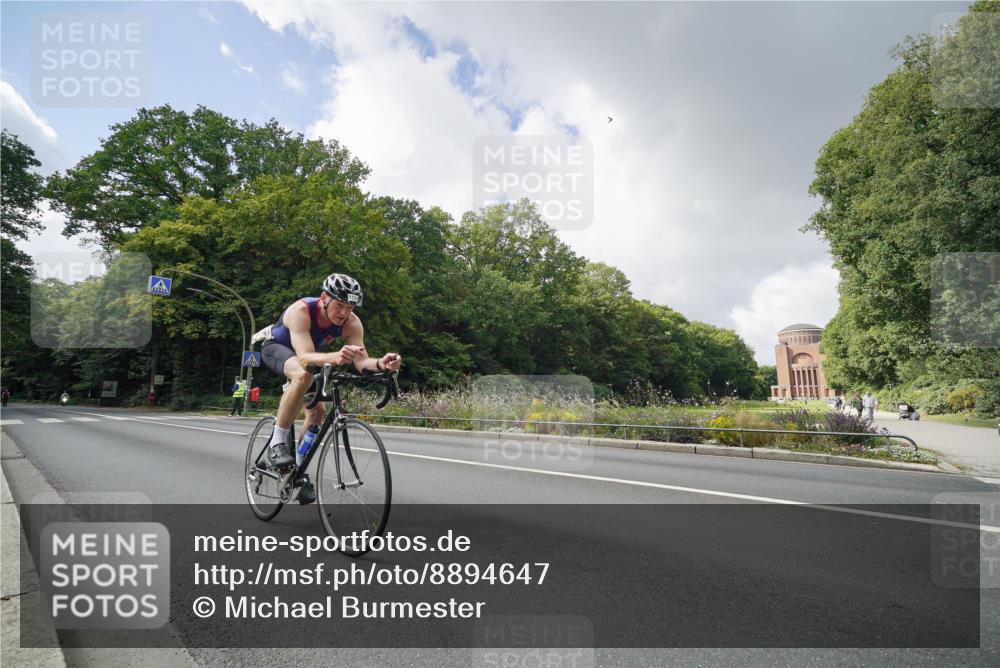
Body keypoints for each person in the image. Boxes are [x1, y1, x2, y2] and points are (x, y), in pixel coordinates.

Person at [257, 273, 402, 504]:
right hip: (278, 348)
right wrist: (335, 356)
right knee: (302, 375)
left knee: (317, 412)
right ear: (324, 298)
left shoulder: (352, 323)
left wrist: (380, 364)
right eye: (339, 305)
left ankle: (297, 472)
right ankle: (277, 442)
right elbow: (304, 357)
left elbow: (362, 362)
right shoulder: (301, 311)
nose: (344, 313)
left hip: (314, 358)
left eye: (350, 307)